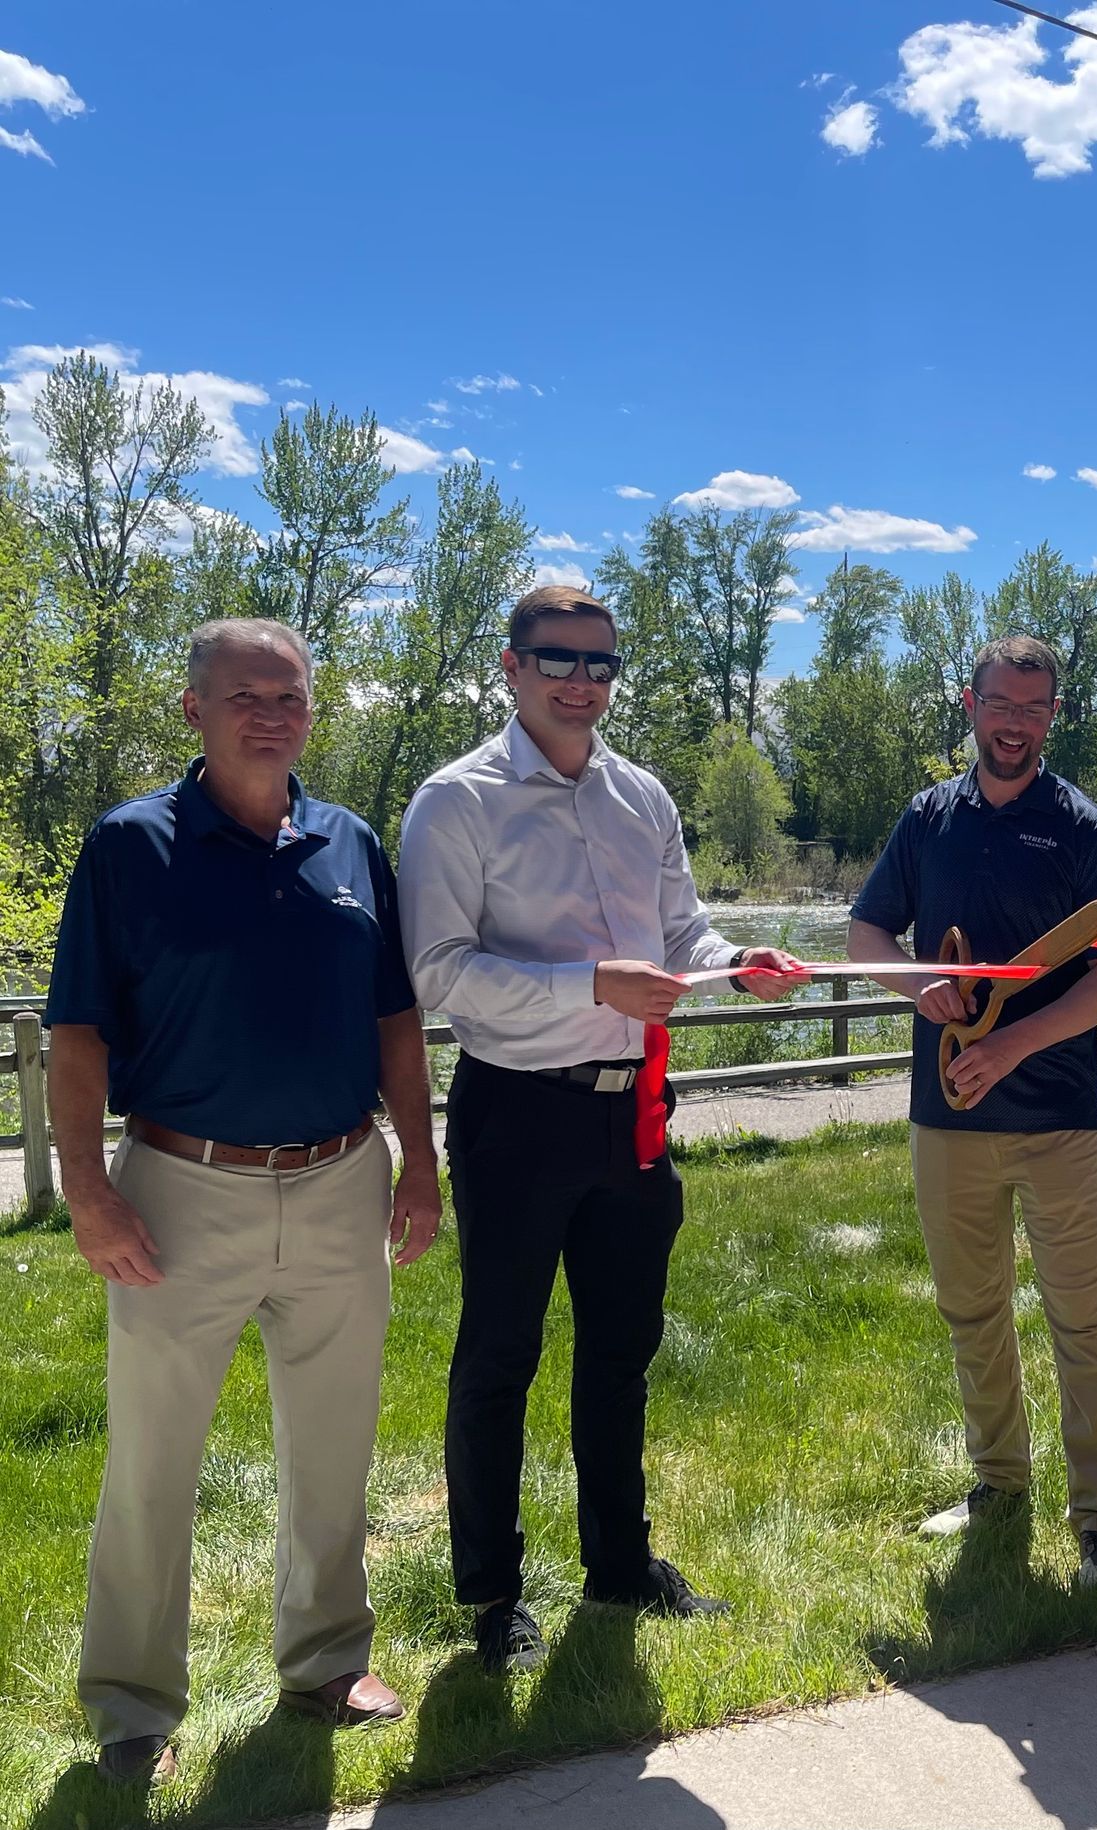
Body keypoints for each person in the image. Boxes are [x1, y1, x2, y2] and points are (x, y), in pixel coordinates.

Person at [45, 618, 441, 1786]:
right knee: (153, 1461)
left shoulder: (350, 843)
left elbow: (396, 1023)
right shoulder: (130, 847)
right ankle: (130, 1707)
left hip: (337, 1181)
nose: (273, 713)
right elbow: (77, 1036)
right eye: (245, 694)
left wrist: (421, 1161)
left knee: (334, 1445)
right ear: (194, 709)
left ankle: (326, 1659)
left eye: (292, 695)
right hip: (179, 1189)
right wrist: (88, 1192)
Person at [398, 583, 804, 1673]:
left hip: (633, 1118)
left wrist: (736, 968)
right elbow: (437, 976)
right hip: (516, 1116)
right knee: (500, 1357)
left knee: (621, 1353)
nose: (582, 683)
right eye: (559, 660)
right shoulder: (456, 802)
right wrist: (593, 988)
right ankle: (492, 1598)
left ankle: (619, 1565)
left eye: (601, 664)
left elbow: (683, 934)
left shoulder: (641, 797)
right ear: (511, 665)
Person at [847, 634, 1097, 1587]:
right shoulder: (927, 820)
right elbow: (866, 932)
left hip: (1058, 1118)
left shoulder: (1085, 829)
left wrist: (1013, 1041)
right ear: (968, 704)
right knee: (973, 1312)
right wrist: (916, 984)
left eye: (1034, 708)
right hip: (947, 1121)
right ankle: (998, 1486)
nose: (1014, 723)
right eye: (999, 704)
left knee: (1082, 1320)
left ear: (1053, 716)